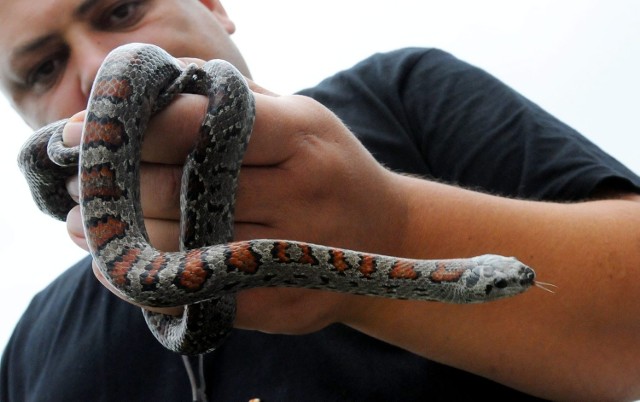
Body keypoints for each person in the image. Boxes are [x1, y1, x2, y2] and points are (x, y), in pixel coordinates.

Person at [1, 0, 640, 400]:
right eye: (43, 68)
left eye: (120, 11)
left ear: (212, 3)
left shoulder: (404, 96)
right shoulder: (32, 348)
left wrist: (396, 227)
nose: (99, 64)